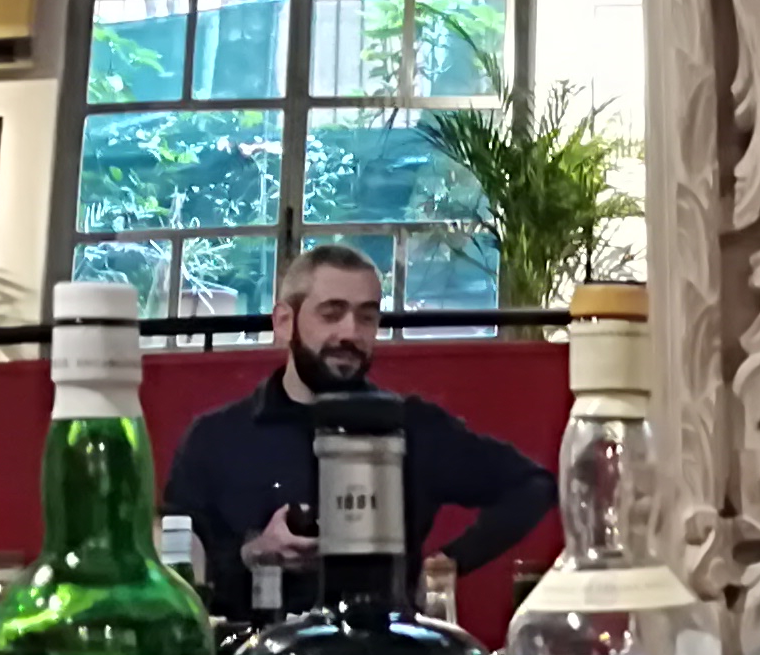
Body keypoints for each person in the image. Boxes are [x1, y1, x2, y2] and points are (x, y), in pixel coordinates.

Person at [164, 244, 553, 615]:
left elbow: (533, 485)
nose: (351, 333)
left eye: (366, 317)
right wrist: (254, 554)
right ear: (284, 322)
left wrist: (447, 564)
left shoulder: (411, 427)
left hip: (381, 648)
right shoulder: (215, 438)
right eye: (332, 314)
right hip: (254, 646)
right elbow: (172, 561)